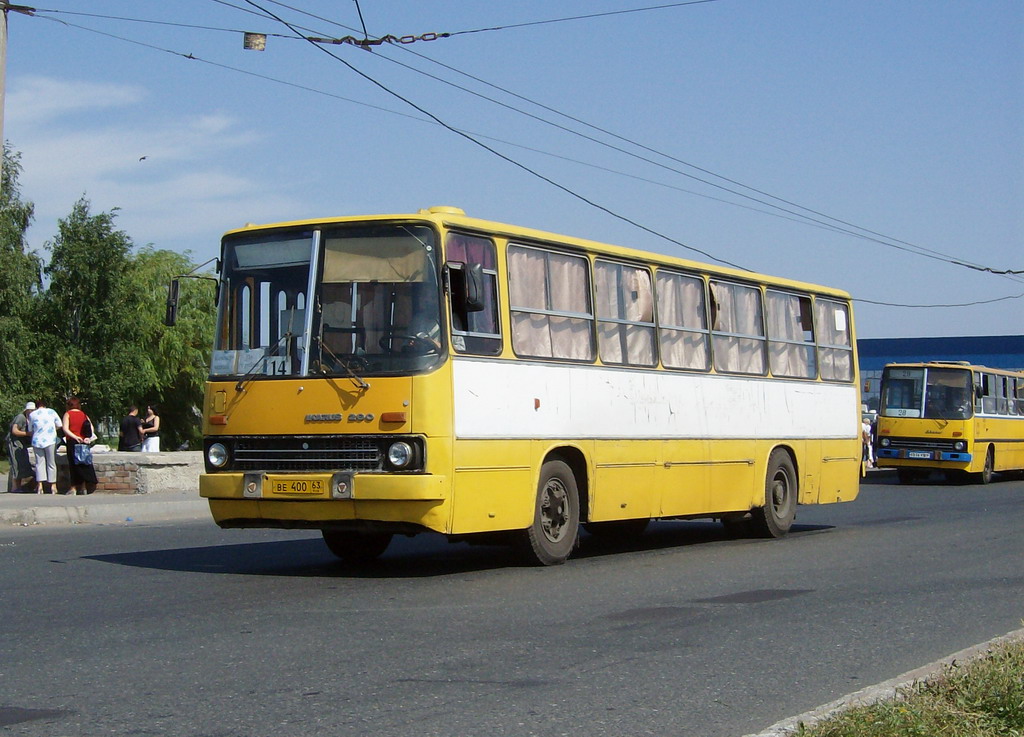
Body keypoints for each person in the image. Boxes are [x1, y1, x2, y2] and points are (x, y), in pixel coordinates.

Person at [62, 396, 97, 495]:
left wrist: (74, 436)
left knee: (73, 466)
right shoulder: (84, 415)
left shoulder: (67, 414)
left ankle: (73, 488)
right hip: (83, 442)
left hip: (72, 442)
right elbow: (91, 427)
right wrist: (88, 438)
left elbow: (65, 428)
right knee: (83, 464)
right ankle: (84, 487)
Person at [29, 399, 63, 494]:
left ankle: (40, 485)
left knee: (39, 463)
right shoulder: (52, 412)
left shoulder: (32, 414)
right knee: (51, 463)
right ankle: (53, 486)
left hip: (37, 440)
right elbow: (59, 425)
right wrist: (52, 428)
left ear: (36, 406)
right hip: (50, 439)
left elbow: (30, 428)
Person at [6, 402, 35, 493]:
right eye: (30, 410)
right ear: (27, 410)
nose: (31, 412)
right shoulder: (21, 417)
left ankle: (19, 487)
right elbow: (14, 430)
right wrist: (28, 434)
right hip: (14, 443)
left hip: (21, 444)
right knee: (16, 464)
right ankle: (15, 488)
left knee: (22, 464)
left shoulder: (28, 419)